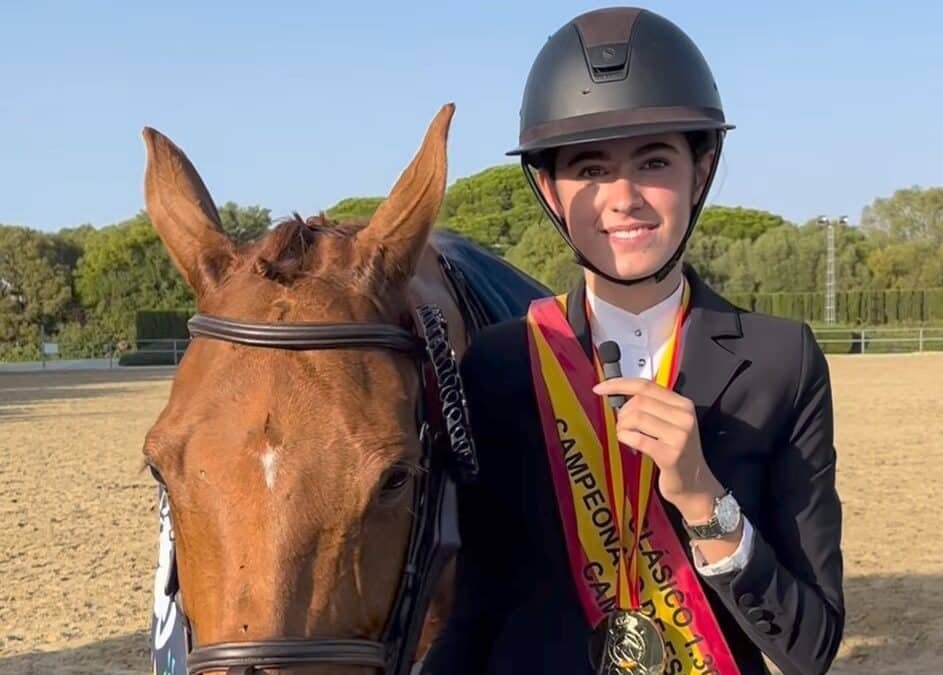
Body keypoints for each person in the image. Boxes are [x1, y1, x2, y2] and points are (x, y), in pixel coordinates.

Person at [422, 7, 843, 675]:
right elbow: (475, 611)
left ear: (699, 173)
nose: (623, 197)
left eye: (652, 161)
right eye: (589, 169)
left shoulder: (779, 362)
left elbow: (809, 645)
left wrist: (704, 497)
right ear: (548, 189)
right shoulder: (499, 365)